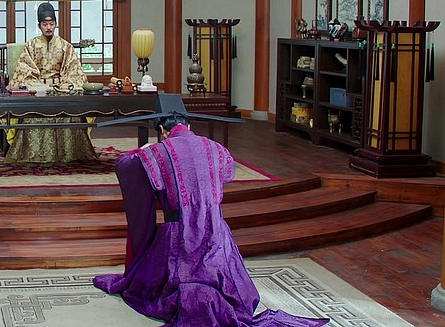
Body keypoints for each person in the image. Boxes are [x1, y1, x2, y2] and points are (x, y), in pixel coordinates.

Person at [93, 94, 329, 326]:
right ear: (189, 125)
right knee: (228, 284)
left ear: (163, 130)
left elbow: (125, 166)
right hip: (216, 235)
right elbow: (227, 173)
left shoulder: (156, 153)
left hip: (178, 239)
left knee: (152, 286)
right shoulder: (216, 148)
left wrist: (138, 152)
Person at [5, 2, 96, 163]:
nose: (48, 27)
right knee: (30, 114)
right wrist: (40, 87)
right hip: (38, 90)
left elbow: (73, 71)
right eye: (45, 24)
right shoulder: (31, 46)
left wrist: (62, 86)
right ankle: (32, 154)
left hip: (60, 90)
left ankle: (72, 154)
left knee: (71, 114)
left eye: (51, 24)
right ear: (39, 25)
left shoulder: (65, 46)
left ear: (56, 24)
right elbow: (25, 72)